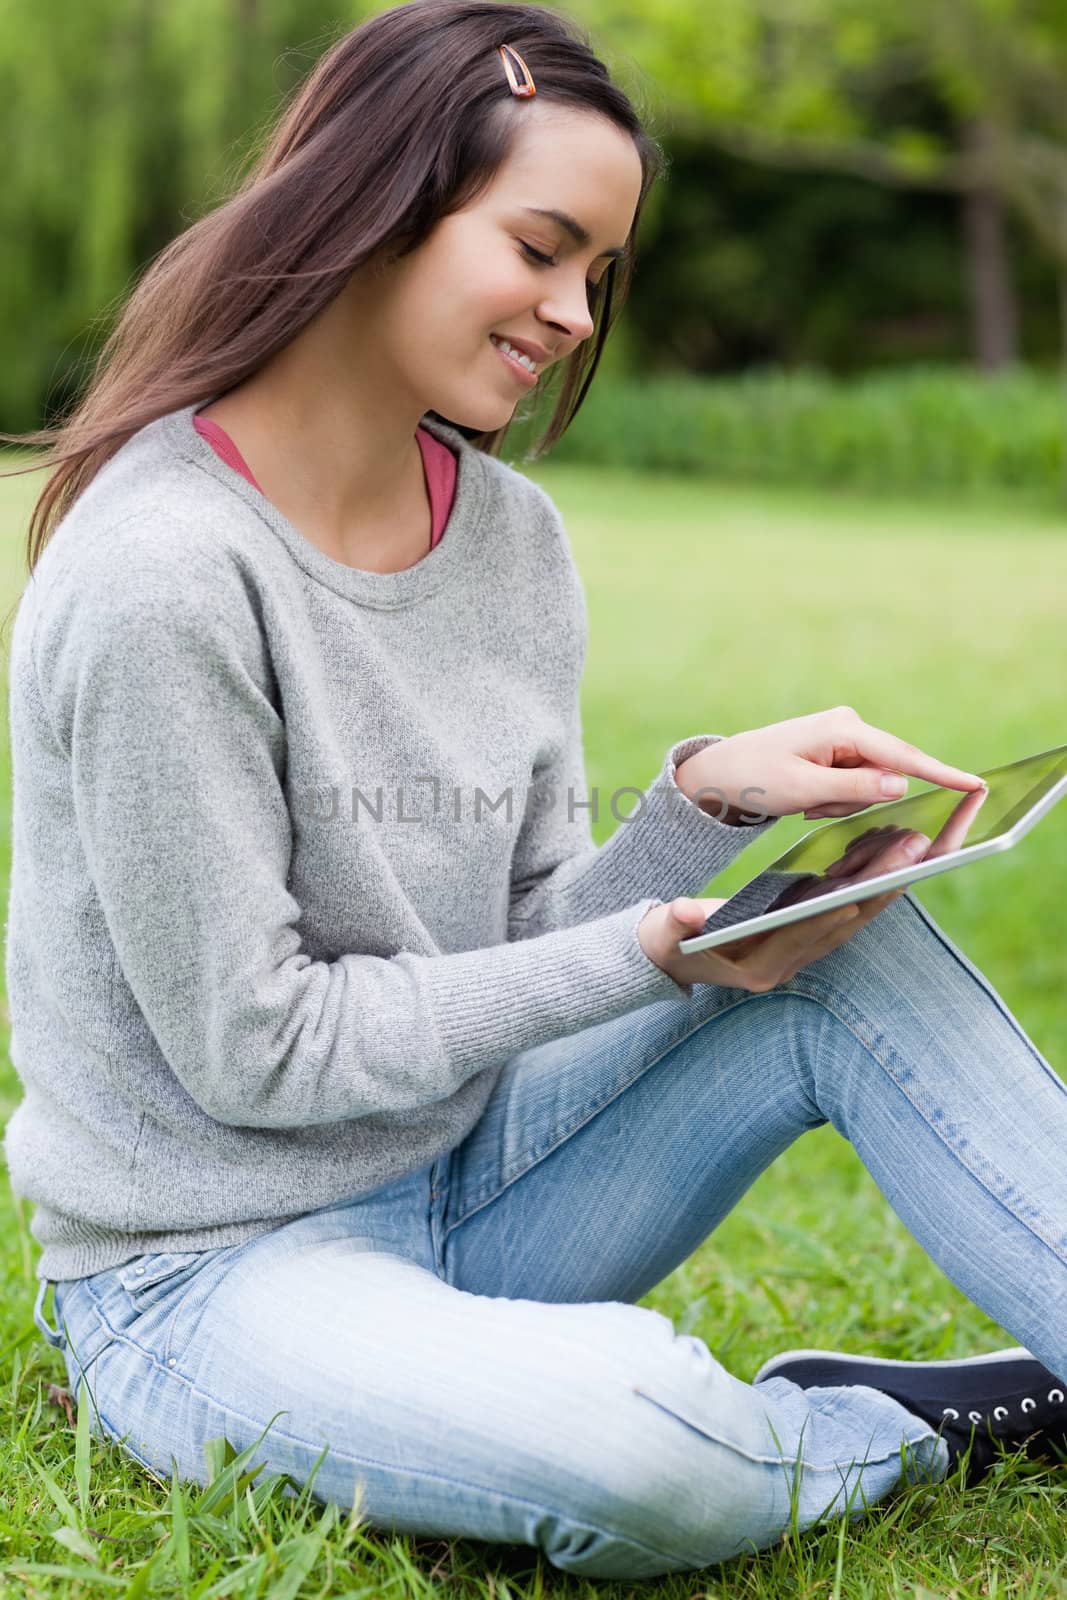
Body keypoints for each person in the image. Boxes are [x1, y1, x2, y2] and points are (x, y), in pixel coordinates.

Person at [3, 0, 1065, 1581]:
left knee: (849, 946)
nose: (575, 311)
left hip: (480, 1174)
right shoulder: (167, 576)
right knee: (647, 1449)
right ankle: (860, 1425)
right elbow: (260, 1051)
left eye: (599, 274)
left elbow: (517, 943)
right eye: (541, 248)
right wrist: (653, 952)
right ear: (376, 208)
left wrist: (697, 813)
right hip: (211, 1274)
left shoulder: (511, 543)